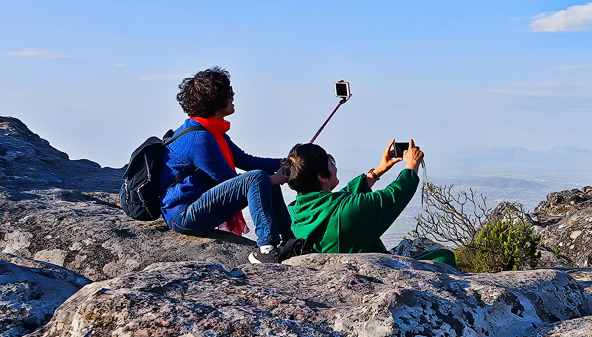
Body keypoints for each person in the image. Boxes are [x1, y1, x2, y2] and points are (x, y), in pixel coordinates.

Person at [160, 67, 293, 264]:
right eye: (228, 93)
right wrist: (275, 178)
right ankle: (267, 249)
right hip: (183, 215)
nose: (233, 97)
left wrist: (287, 163)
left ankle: (289, 241)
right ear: (215, 99)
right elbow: (230, 180)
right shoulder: (199, 138)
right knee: (259, 178)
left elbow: (245, 161)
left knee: (262, 175)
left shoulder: (212, 131)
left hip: (196, 206)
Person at [284, 139, 457, 267]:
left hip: (333, 267)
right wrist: (411, 166)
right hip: (370, 272)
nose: (334, 166)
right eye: (330, 162)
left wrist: (376, 172)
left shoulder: (295, 210)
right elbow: (392, 196)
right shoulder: (346, 212)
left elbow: (340, 199)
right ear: (322, 177)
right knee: (443, 258)